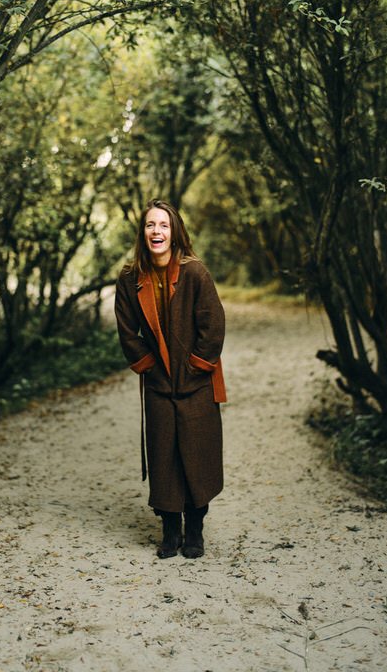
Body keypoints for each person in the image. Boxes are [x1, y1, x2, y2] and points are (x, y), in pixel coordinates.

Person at [115, 198, 226, 559]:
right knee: (164, 458)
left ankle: (195, 532)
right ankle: (170, 532)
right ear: (143, 233)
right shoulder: (130, 278)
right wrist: (148, 364)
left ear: (174, 231)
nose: (157, 231)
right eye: (150, 225)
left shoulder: (195, 272)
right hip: (159, 385)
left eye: (163, 225)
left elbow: (214, 324)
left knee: (197, 456)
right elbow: (126, 329)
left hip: (196, 383)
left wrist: (197, 365)